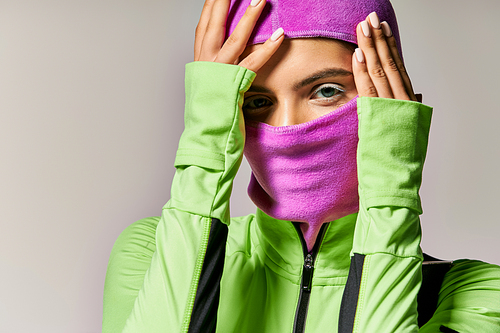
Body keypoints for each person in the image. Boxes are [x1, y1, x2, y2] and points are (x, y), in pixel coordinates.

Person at [102, 0, 500, 332]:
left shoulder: (473, 296)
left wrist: (392, 191)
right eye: (257, 101)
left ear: (392, 113)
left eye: (326, 91)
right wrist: (205, 145)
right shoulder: (153, 251)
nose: (288, 128)